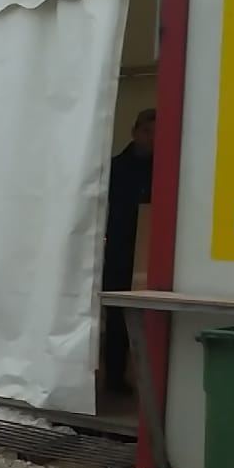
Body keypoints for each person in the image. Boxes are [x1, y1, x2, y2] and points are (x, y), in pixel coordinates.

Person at [102, 108, 155, 396]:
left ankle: (147, 378)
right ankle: (114, 379)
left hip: (150, 253)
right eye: (148, 132)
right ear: (135, 132)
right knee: (117, 319)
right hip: (120, 251)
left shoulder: (166, 169)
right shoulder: (115, 169)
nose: (153, 139)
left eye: (158, 133)